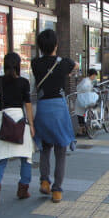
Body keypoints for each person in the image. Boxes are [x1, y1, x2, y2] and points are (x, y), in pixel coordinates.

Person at [31, 29, 78, 203]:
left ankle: (44, 181)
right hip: (58, 109)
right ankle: (57, 190)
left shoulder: (35, 63)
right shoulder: (64, 63)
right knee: (60, 150)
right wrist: (67, 72)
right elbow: (76, 66)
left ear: (40, 47)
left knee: (45, 147)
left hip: (43, 108)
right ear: (56, 45)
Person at [0, 52, 35, 208]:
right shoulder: (24, 82)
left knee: (1, 157)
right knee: (26, 155)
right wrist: (32, 125)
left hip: (3, 119)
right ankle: (23, 189)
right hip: (20, 119)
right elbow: (27, 105)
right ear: (18, 65)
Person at [75, 69, 99, 133]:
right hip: (82, 100)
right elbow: (83, 88)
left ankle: (84, 130)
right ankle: (81, 130)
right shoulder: (86, 80)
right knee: (81, 116)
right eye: (94, 75)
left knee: (83, 115)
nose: (94, 77)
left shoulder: (89, 81)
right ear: (91, 75)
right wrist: (91, 88)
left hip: (84, 100)